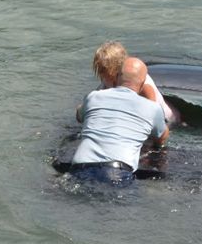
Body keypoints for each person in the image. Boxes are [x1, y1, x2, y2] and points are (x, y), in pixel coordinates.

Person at [71, 57, 169, 185]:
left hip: (79, 168)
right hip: (118, 173)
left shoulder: (94, 96)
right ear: (142, 82)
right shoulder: (152, 108)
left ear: (117, 77)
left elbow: (79, 116)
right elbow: (162, 137)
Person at [77, 41, 179, 124]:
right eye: (100, 69)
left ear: (118, 66)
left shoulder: (140, 82)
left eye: (105, 70)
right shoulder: (106, 82)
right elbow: (92, 103)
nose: (102, 74)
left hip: (166, 119)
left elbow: (153, 112)